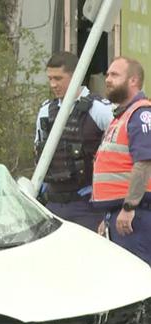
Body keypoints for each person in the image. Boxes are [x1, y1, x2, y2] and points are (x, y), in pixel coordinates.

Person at [35, 51, 113, 231]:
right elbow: (39, 155)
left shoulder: (100, 110)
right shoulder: (46, 111)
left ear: (76, 75)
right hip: (52, 205)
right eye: (50, 79)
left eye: (58, 78)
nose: (53, 84)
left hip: (88, 205)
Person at [93, 56, 151, 265]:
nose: (108, 79)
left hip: (137, 215)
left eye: (115, 75)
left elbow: (144, 163)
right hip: (122, 214)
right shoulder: (121, 117)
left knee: (140, 281)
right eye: (107, 74)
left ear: (133, 80)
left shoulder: (140, 114)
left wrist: (128, 208)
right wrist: (108, 216)